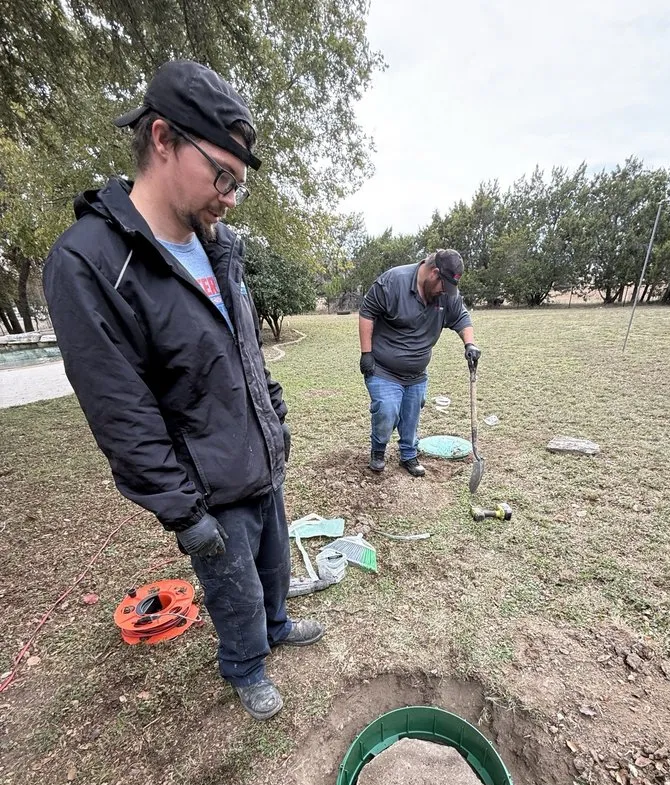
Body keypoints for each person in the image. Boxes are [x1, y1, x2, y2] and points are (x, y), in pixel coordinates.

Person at [43, 60, 324, 722]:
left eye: (238, 184)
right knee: (232, 591)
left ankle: (278, 624)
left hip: (259, 456)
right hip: (205, 486)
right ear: (164, 139)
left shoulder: (217, 244)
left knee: (273, 565)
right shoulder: (89, 262)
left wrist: (273, 415)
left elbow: (242, 348)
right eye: (221, 175)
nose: (229, 195)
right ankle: (245, 664)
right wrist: (184, 512)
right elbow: (122, 412)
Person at [358, 249, 481, 476]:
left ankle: (408, 454)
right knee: (386, 410)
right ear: (434, 273)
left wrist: (469, 344)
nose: (445, 292)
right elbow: (367, 312)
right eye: (443, 286)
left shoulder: (445, 293)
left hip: (417, 373)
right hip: (384, 369)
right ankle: (378, 449)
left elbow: (462, 317)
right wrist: (366, 353)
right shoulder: (393, 281)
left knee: (411, 414)